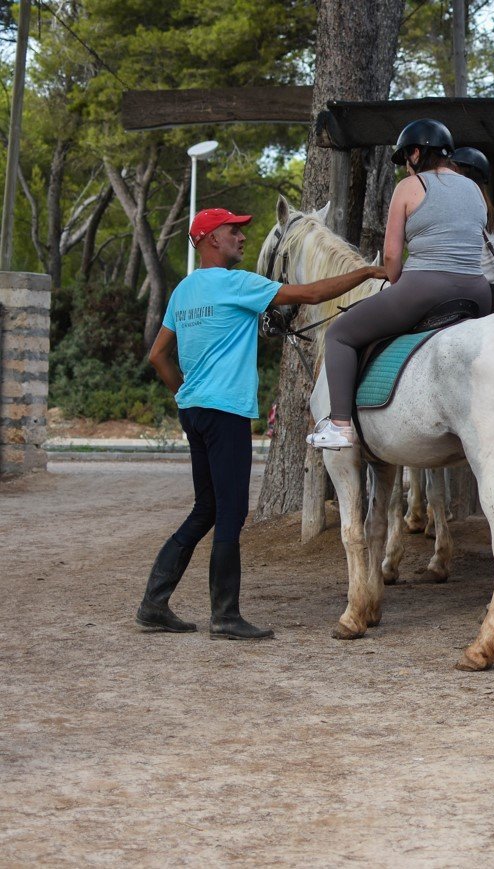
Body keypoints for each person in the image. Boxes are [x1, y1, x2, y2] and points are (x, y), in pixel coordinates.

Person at [138, 207, 385, 639]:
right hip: (226, 413)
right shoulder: (237, 284)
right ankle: (225, 616)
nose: (241, 238)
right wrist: (367, 272)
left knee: (206, 508)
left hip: (194, 411)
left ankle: (154, 603)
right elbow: (312, 294)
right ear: (211, 238)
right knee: (231, 512)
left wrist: (184, 392)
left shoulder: (183, 290)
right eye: (233, 231)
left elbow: (158, 355)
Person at [307, 118, 492, 449]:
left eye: (407, 158)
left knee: (339, 335)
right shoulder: (474, 189)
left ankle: (340, 426)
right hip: (478, 293)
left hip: (425, 289)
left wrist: (398, 281)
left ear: (417, 153)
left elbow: (392, 257)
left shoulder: (410, 186)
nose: (406, 167)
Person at [449, 146, 494, 285]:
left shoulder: (463, 211)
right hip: (487, 288)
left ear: (457, 172)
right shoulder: (488, 212)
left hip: (464, 287)